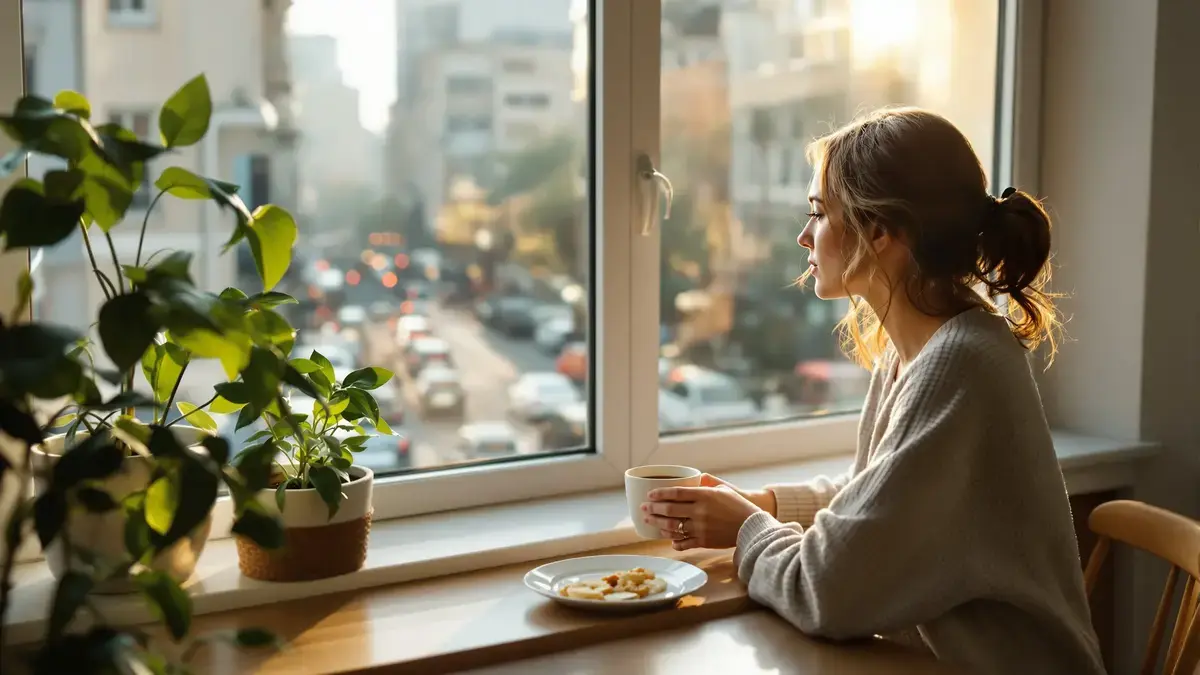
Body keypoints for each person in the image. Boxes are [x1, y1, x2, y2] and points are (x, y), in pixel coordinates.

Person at [643, 107, 1105, 675]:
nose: (803, 235)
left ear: (881, 231)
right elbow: (880, 499)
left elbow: (827, 591)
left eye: (818, 213)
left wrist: (745, 529)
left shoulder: (960, 364)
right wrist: (765, 506)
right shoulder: (921, 347)